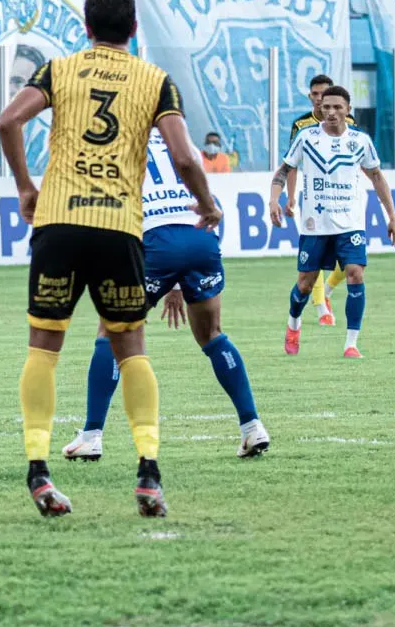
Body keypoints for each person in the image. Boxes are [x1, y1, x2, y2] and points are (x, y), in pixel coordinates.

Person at [0, 0, 221, 519]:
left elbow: (8, 122)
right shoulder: (154, 80)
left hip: (58, 223)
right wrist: (206, 204)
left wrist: (27, 187)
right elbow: (186, 157)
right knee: (132, 349)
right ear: (134, 29)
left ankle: (38, 469)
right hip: (119, 226)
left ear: (87, 27)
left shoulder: (58, 69)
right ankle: (147, 471)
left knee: (44, 349)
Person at [64, 129, 268, 462]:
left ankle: (90, 435)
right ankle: (252, 427)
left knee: (112, 332)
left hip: (155, 242)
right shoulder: (179, 143)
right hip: (200, 238)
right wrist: (174, 283)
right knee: (212, 336)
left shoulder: (116, 145)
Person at [270, 85, 395, 359]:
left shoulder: (360, 141)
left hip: (350, 223)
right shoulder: (306, 137)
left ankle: (351, 344)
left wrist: (392, 216)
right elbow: (284, 170)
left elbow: (376, 177)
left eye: (337, 107)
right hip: (315, 224)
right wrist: (274, 200)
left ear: (348, 110)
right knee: (305, 283)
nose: (330, 112)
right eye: (326, 107)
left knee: (356, 273)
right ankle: (294, 323)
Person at [271, 74, 358, 326]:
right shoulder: (302, 126)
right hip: (315, 199)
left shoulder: (349, 121)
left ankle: (328, 291)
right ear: (310, 96)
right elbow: (291, 164)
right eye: (316, 95)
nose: (321, 100)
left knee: (350, 263)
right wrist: (290, 196)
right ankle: (321, 308)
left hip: (344, 199)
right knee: (315, 259)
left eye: (325, 95)